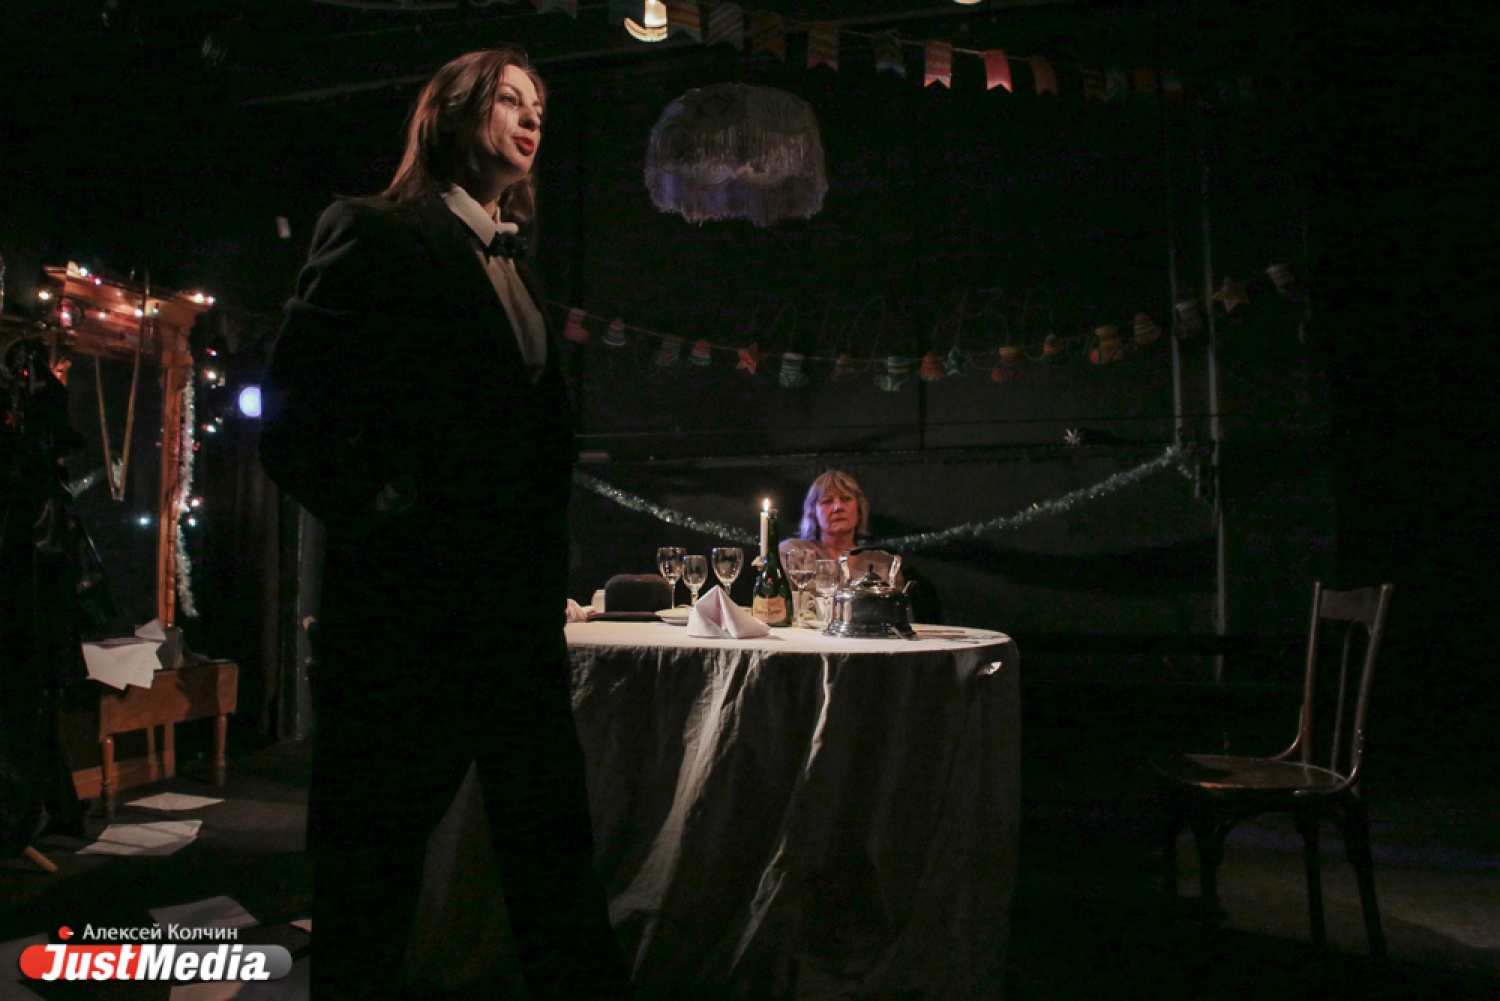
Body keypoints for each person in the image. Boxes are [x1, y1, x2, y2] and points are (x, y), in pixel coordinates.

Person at [258, 47, 631, 1001]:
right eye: (509, 99)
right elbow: (291, 413)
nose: (531, 117)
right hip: (408, 618)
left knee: (553, 856)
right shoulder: (373, 230)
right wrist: (381, 511)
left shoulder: (518, 264)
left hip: (514, 616)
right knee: (372, 866)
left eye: (539, 104)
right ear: (454, 115)